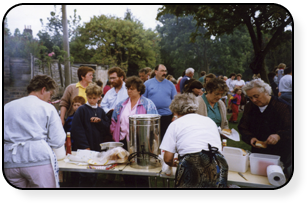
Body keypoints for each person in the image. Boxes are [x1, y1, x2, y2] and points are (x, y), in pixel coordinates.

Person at [4, 75, 65, 188]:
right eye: (50, 94)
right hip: (37, 159)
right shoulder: (47, 107)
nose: (49, 99)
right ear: (43, 90)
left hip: (9, 161)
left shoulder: (7, 107)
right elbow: (58, 140)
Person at [159, 93, 228, 188]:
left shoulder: (175, 124)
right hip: (219, 162)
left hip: (194, 163)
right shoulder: (209, 120)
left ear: (175, 111)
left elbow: (167, 158)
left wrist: (174, 164)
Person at [238, 79, 292, 179]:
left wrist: (278, 136)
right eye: (250, 97)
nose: (253, 100)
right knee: (257, 178)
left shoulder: (283, 107)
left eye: (256, 96)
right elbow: (243, 127)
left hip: (281, 152)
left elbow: (290, 128)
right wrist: (250, 138)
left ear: (266, 92)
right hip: (258, 153)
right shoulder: (250, 107)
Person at [71, 83, 111, 187]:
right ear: (86, 96)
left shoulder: (101, 111)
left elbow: (107, 127)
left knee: (94, 173)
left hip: (96, 146)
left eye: (94, 98)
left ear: (99, 97)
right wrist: (85, 146)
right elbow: (77, 129)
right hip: (84, 147)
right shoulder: (81, 110)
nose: (92, 100)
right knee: (83, 173)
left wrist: (100, 121)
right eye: (89, 97)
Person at [110, 76, 158, 149]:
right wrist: (114, 134)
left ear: (139, 90)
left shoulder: (148, 104)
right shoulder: (121, 105)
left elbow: (154, 124)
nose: (129, 91)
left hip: (141, 142)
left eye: (132, 89)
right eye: (128, 89)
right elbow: (114, 121)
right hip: (122, 141)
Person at [143, 64, 177, 141]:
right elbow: (142, 101)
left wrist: (175, 115)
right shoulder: (147, 84)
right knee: (152, 139)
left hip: (167, 116)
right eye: (162, 71)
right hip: (152, 117)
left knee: (166, 139)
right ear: (156, 72)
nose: (164, 73)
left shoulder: (170, 84)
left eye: (165, 71)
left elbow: (175, 101)